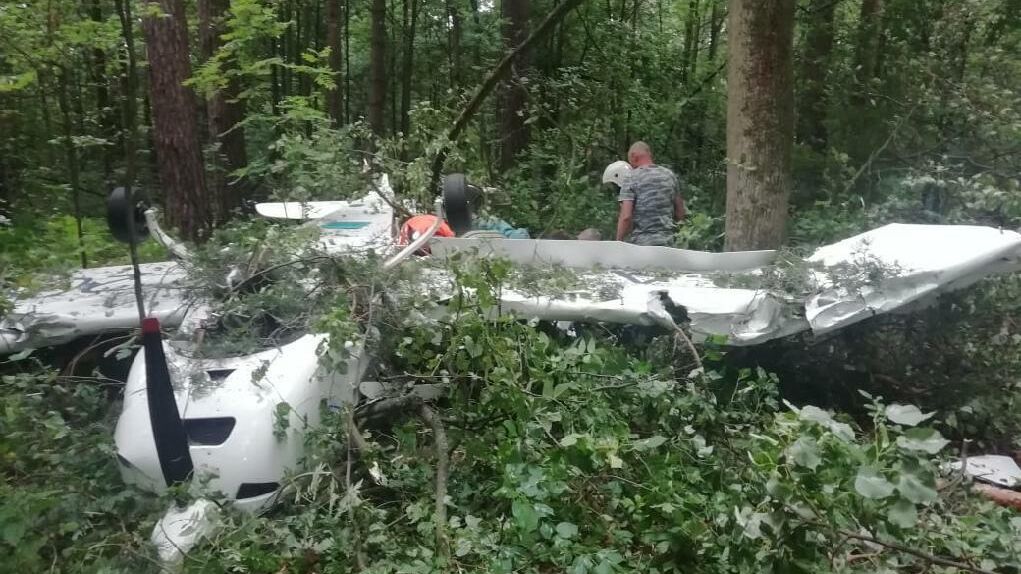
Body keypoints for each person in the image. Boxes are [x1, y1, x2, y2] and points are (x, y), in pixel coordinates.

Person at [615, 141, 686, 246]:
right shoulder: (669, 175)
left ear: (634, 157)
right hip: (668, 242)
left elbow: (626, 217)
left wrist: (618, 242)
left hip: (642, 244)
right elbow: (680, 213)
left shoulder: (631, 177)